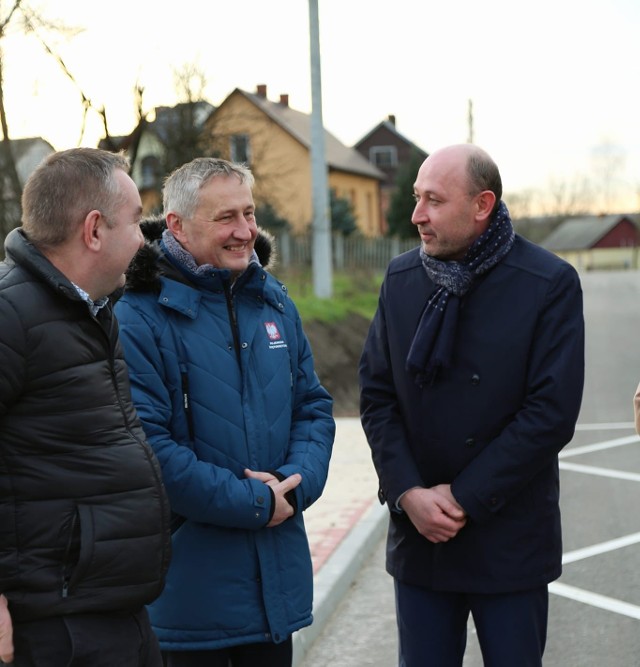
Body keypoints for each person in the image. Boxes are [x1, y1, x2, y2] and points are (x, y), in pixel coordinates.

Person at [359, 144, 585, 667]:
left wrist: (464, 497)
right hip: (422, 543)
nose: (417, 215)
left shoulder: (548, 283)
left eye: (433, 201)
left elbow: (549, 414)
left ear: (482, 205)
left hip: (507, 541)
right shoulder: (400, 280)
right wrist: (408, 493)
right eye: (417, 199)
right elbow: (376, 395)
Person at [113, 157, 335, 666]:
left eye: (250, 213)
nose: (245, 232)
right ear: (177, 225)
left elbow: (314, 408)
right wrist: (256, 502)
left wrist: (291, 483)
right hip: (188, 603)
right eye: (226, 218)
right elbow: (149, 450)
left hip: (275, 592)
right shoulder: (138, 315)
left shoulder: (273, 300)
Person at [0, 147, 172, 666]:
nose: (145, 240)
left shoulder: (95, 312)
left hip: (112, 612)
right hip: (57, 630)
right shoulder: (12, 316)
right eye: (136, 221)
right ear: (94, 230)